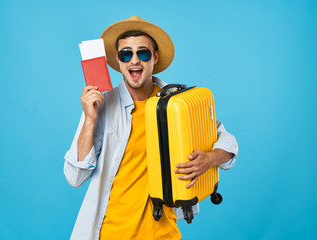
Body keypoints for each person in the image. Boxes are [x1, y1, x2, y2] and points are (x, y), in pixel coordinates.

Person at [64, 16, 238, 240]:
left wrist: (209, 159)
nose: (134, 60)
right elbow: (75, 177)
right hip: (111, 232)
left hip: (163, 233)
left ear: (154, 57)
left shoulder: (177, 105)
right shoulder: (101, 105)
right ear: (118, 60)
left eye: (142, 53)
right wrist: (89, 119)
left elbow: (226, 140)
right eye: (126, 54)